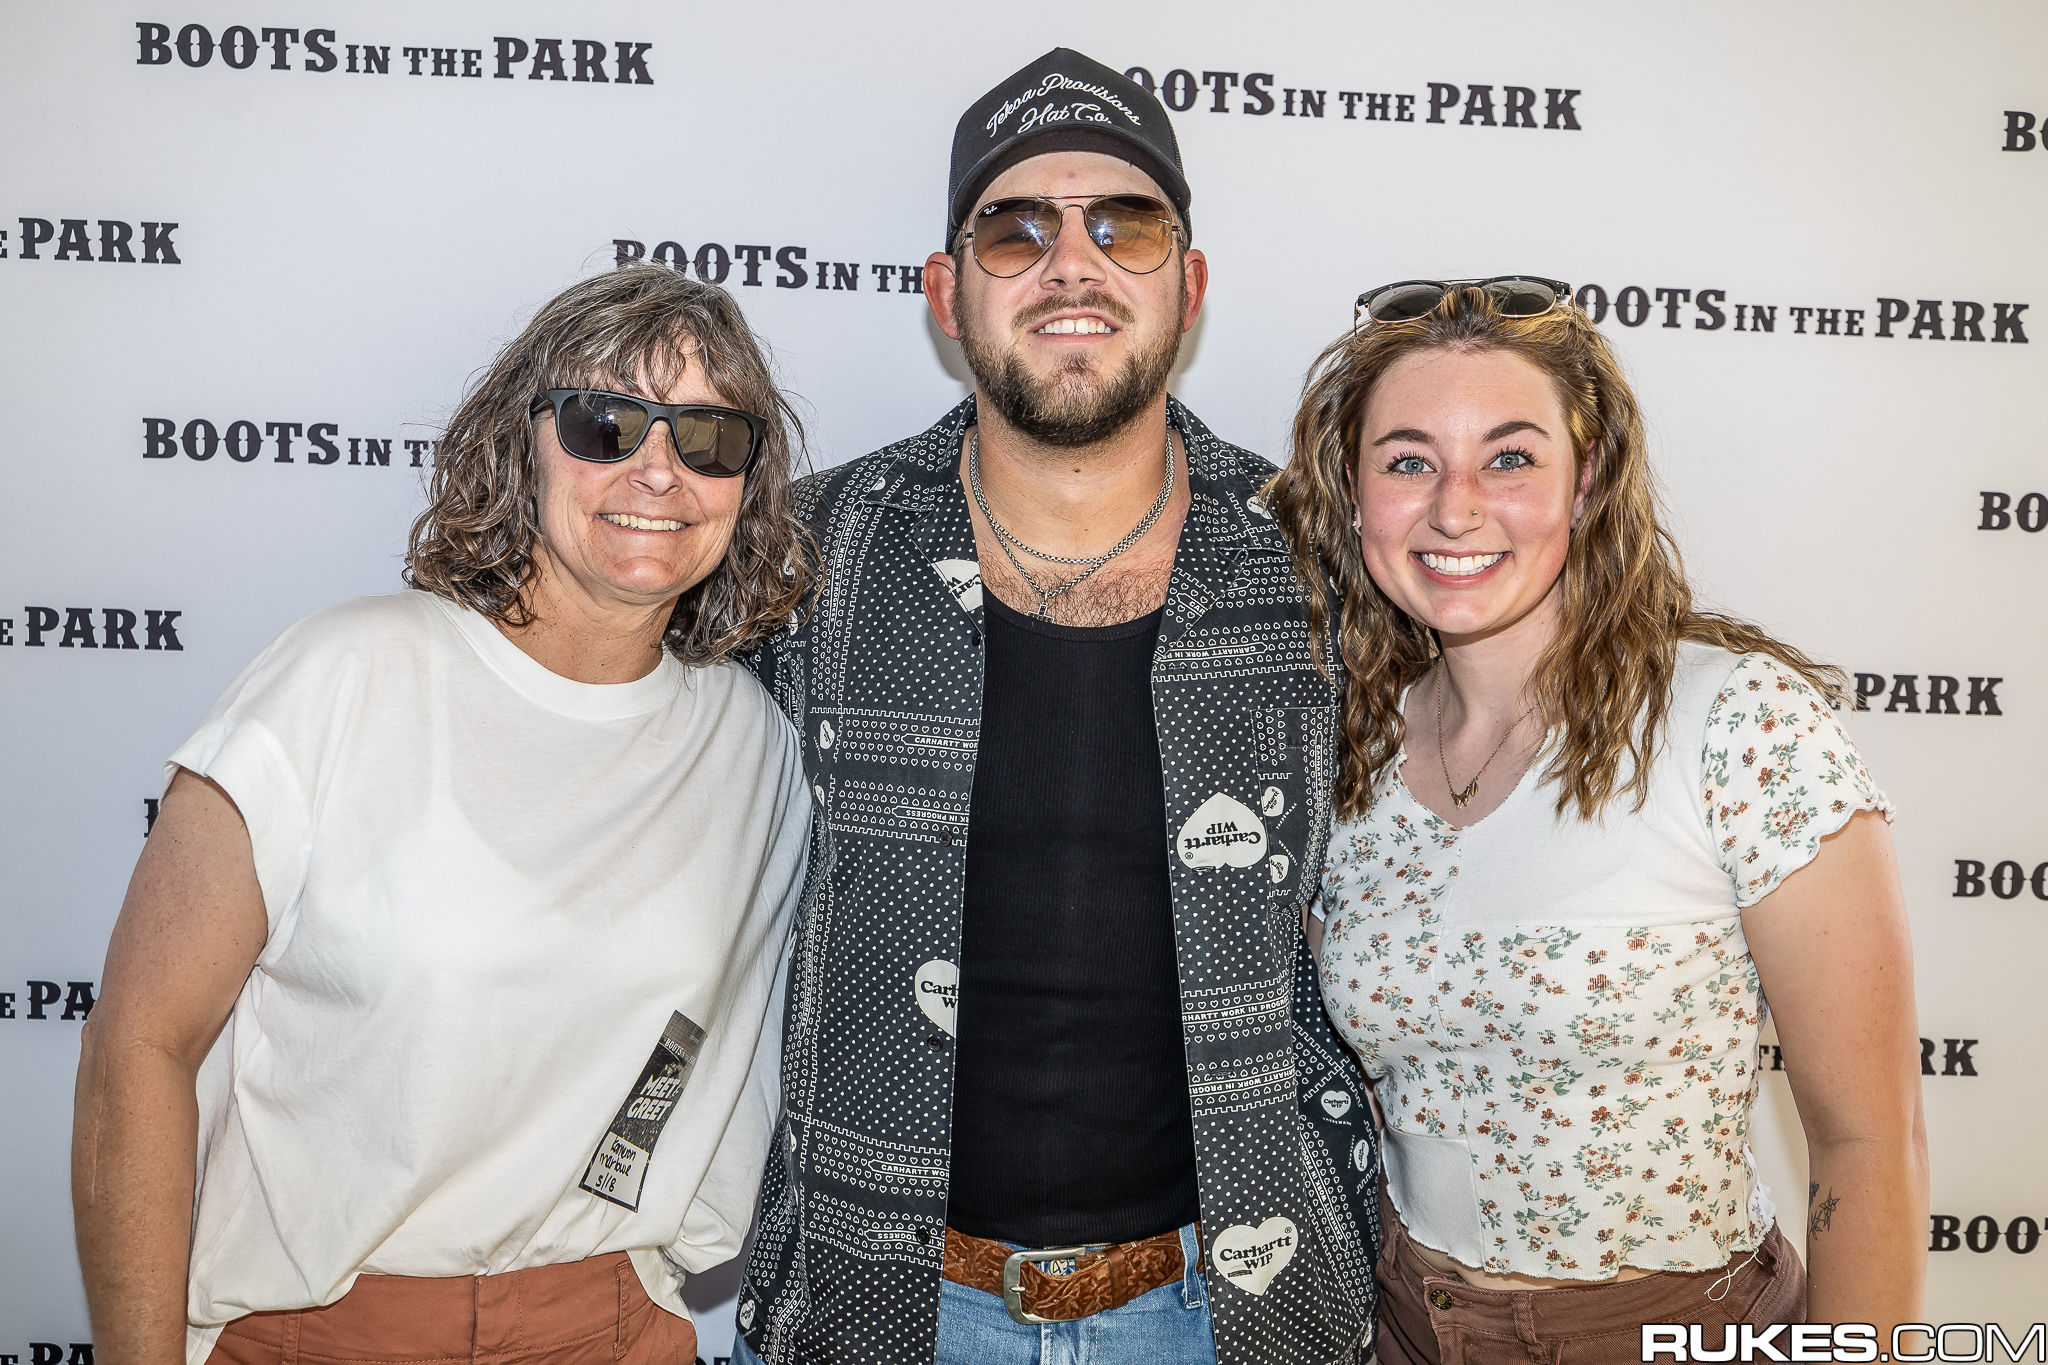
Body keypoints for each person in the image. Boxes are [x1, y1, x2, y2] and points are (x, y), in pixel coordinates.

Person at [729, 48, 1377, 1365]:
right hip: (871, 1309)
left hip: (1241, 1311)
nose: (1070, 266)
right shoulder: (804, 559)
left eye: (1123, 226)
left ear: (1188, 284)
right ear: (945, 292)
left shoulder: (1323, 566)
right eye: (1013, 231)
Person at [71, 263, 815, 1365]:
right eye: (604, 424)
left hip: (612, 1334)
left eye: (708, 437)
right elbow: (138, 1045)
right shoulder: (343, 677)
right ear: (523, 445)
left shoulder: (752, 743)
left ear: (745, 486)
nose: (658, 470)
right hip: (318, 1335)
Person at [1268, 280, 1928, 1364]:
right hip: (1399, 1326)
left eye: (1509, 458)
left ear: (1584, 484)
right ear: (1352, 496)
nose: (1455, 508)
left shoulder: (1734, 725)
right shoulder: (1347, 752)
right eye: (1408, 461)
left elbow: (1868, 1142)